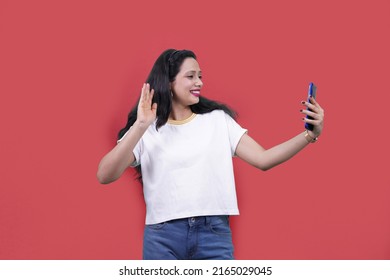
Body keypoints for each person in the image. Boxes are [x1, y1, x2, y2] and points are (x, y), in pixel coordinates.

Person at [97, 49, 324, 260]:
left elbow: (264, 159)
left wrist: (309, 135)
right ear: (169, 82)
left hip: (213, 234)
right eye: (191, 76)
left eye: (200, 76)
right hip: (162, 237)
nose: (199, 82)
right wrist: (140, 126)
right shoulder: (147, 129)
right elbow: (105, 174)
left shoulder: (217, 120)